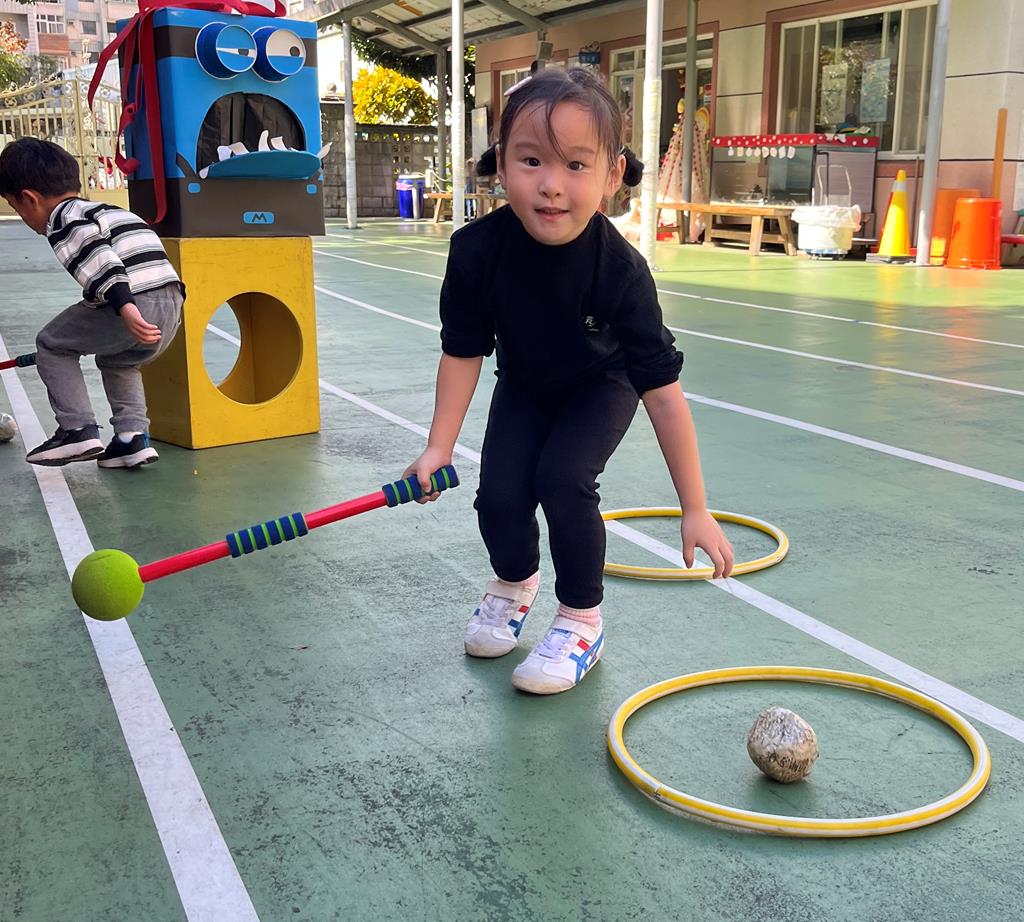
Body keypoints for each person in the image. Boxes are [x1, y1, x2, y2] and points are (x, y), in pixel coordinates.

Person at [403, 68, 734, 696]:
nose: (551, 185)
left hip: (601, 383)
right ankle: (514, 582)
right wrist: (438, 447)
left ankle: (582, 620)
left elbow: (662, 394)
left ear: (612, 174)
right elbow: (463, 351)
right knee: (499, 495)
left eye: (576, 165)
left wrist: (694, 507)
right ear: (502, 164)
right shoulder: (476, 250)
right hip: (525, 381)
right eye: (531, 161)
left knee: (563, 478)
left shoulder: (621, 271)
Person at [0, 138, 183, 468]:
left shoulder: (64, 218)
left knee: (52, 344)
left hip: (132, 300)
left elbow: (100, 258)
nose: (22, 216)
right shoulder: (111, 211)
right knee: (119, 361)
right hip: (170, 305)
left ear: (29, 199)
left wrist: (125, 306)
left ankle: (77, 429)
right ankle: (131, 439)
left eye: (16, 208)